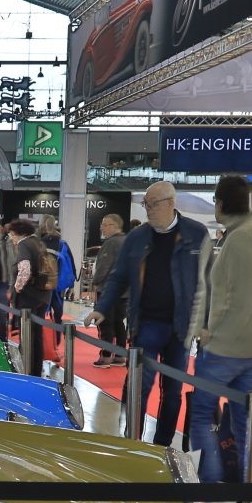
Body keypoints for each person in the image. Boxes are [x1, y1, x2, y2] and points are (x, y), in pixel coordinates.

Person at [184, 176, 252, 503]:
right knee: (245, 426)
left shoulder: (242, 240)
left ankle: (212, 496)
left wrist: (211, 335)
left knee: (201, 416)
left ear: (221, 203)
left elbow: (241, 302)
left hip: (229, 349)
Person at [86, 181, 209, 446]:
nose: (148, 210)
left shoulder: (196, 234)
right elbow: (119, 276)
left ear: (171, 203)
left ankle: (162, 446)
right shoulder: (137, 237)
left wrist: (205, 324)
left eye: (153, 204)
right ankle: (132, 442)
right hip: (146, 325)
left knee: (173, 392)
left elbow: (208, 282)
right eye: (145, 204)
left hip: (181, 328)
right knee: (138, 387)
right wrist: (101, 308)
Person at [9, 220, 52, 373]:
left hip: (28, 296)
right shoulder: (39, 243)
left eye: (12, 235)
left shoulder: (24, 244)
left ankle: (26, 369)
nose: (11, 238)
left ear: (19, 233)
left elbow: (25, 269)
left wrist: (17, 288)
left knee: (27, 335)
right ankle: (35, 370)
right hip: (43, 294)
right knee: (37, 336)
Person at [90, 214, 128, 366]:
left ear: (115, 226)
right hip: (124, 291)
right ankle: (120, 355)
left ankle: (105, 356)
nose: (102, 228)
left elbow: (103, 266)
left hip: (107, 290)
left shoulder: (111, 243)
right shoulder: (127, 241)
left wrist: (95, 282)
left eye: (105, 224)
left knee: (105, 323)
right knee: (119, 323)